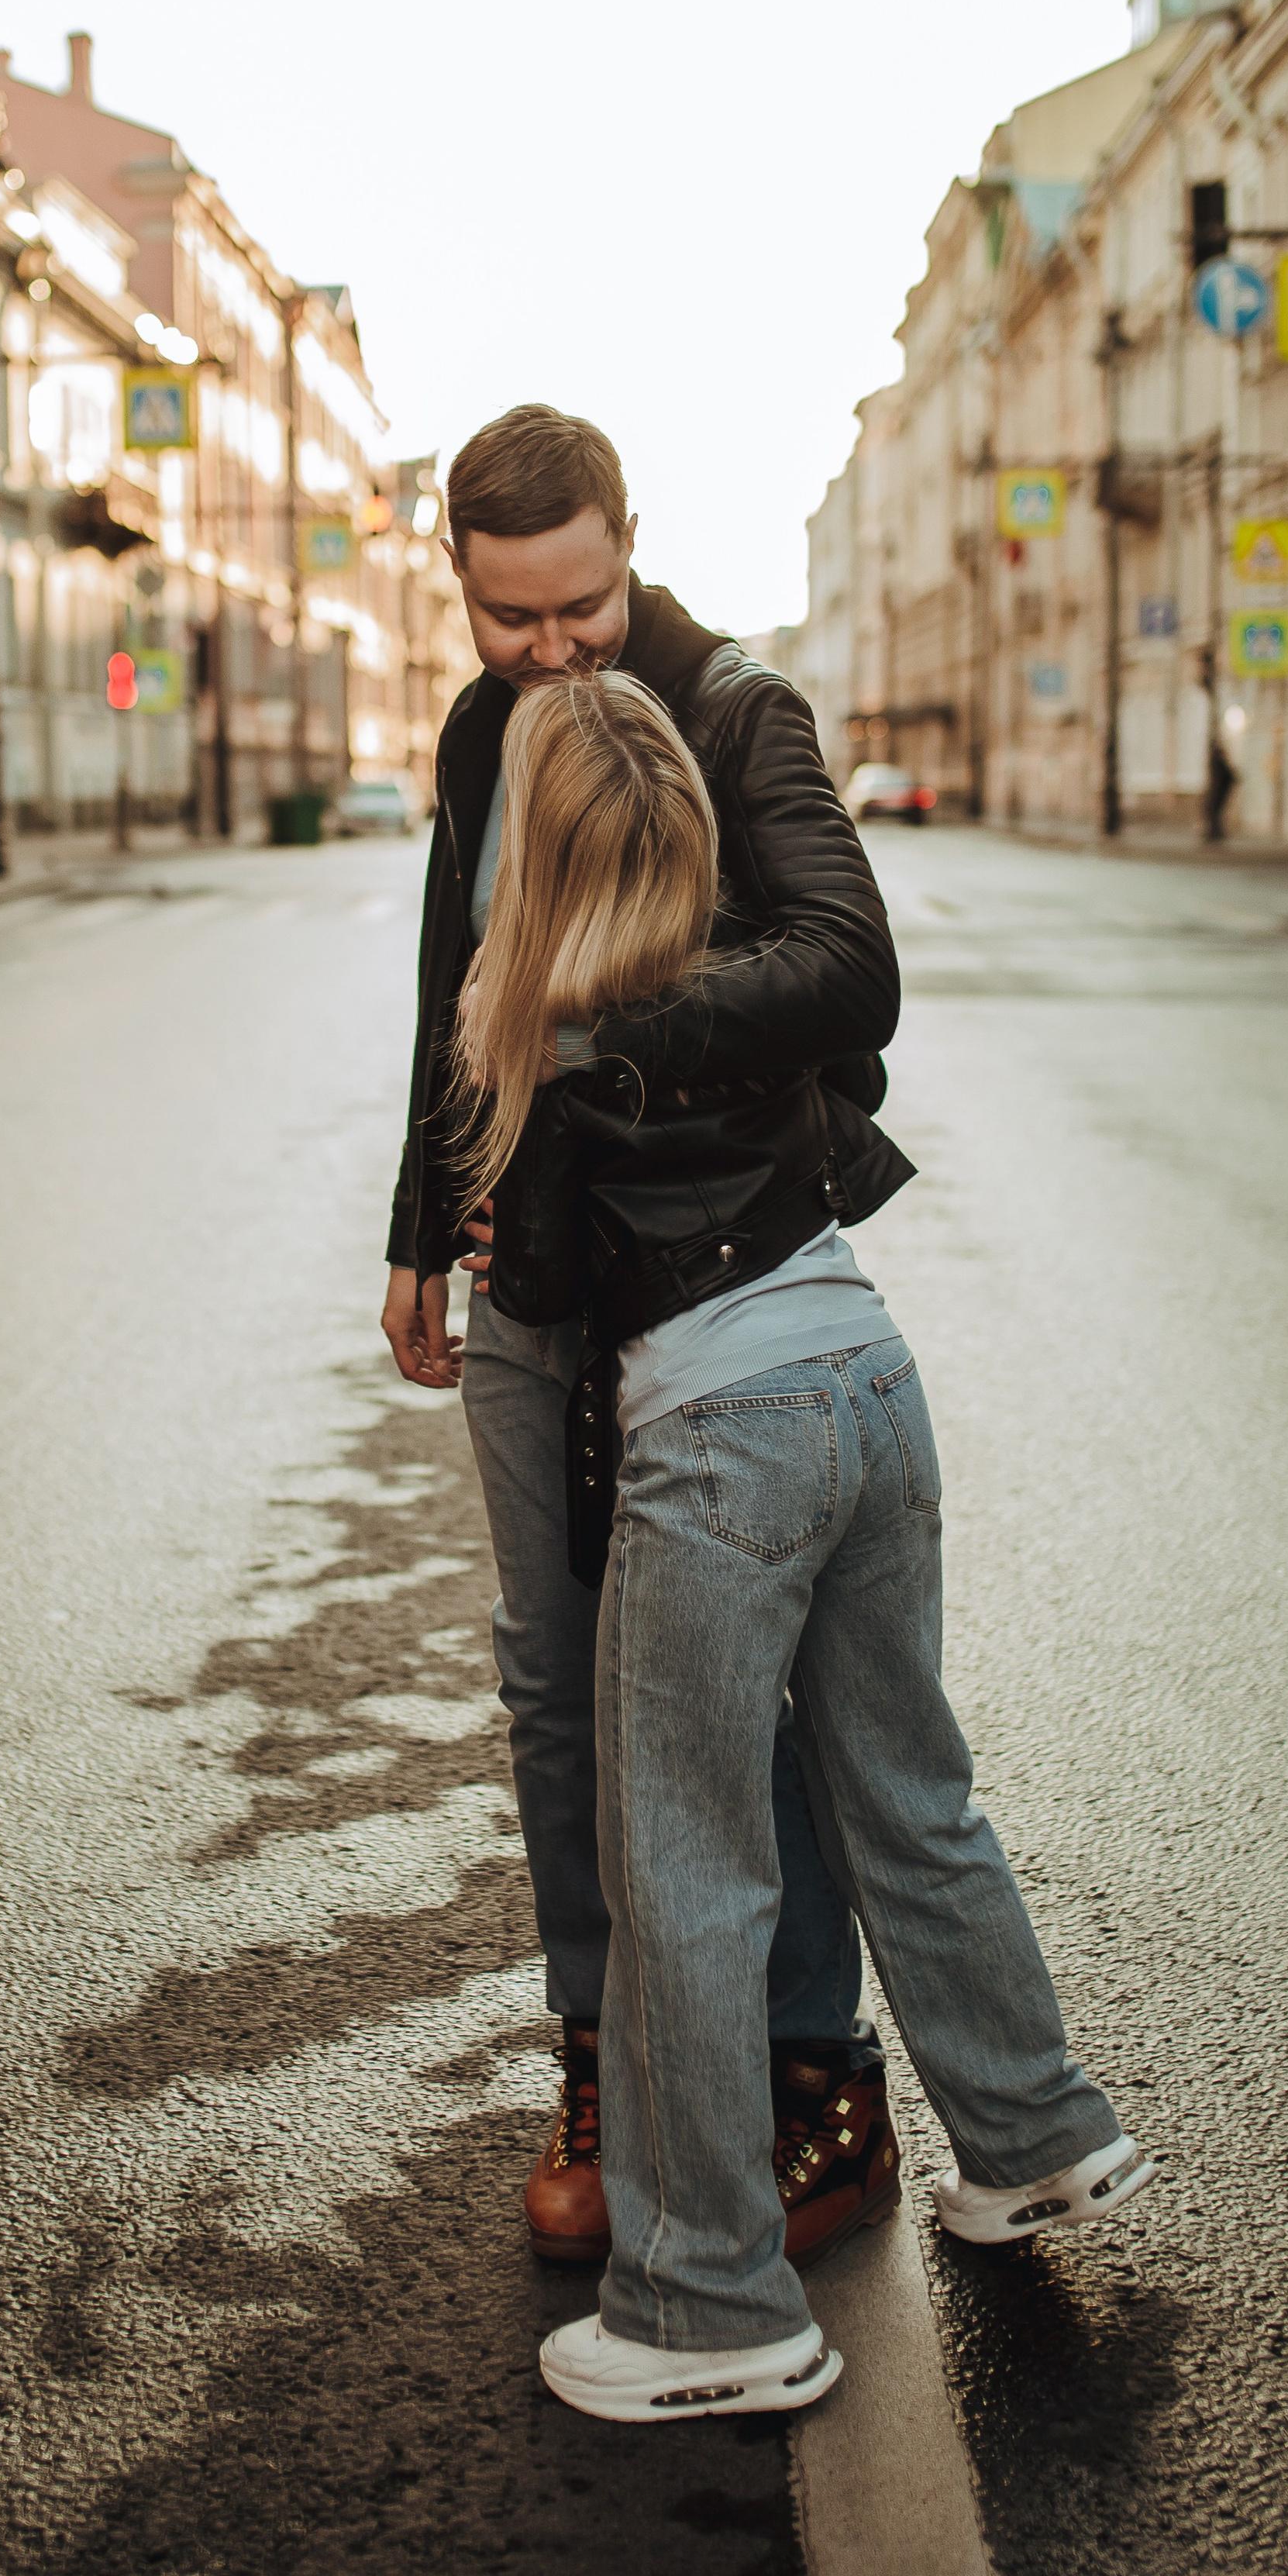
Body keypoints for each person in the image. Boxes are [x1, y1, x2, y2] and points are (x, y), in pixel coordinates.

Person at [455, 667, 1154, 2426]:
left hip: (717, 1440)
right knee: (905, 1787)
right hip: (864, 1373)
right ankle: (1028, 2133)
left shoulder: (552, 1036)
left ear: (529, 860)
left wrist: (491, 1223)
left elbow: (538, 1285)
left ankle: (704, 2304)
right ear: (685, 832)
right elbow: (846, 1060)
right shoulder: (750, 996)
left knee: (682, 1864)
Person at [382, 407, 902, 2274]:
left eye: (579, 604)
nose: (553, 653)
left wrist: (614, 1019)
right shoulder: (475, 727)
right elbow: (460, 976)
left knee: (743, 1685)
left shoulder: (732, 702)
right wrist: (413, 1230)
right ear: (459, 580)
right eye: (510, 617)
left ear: (628, 546)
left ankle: (803, 2075)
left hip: (711, 1268)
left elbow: (850, 970)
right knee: (551, 1678)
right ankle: (603, 2066)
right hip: (524, 1272)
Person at [1204, 726, 1239, 843]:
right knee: (1214, 812)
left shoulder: (1218, 760)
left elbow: (1227, 777)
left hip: (1218, 792)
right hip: (1219, 791)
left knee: (1214, 812)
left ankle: (1215, 834)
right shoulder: (1218, 760)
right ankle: (1215, 833)